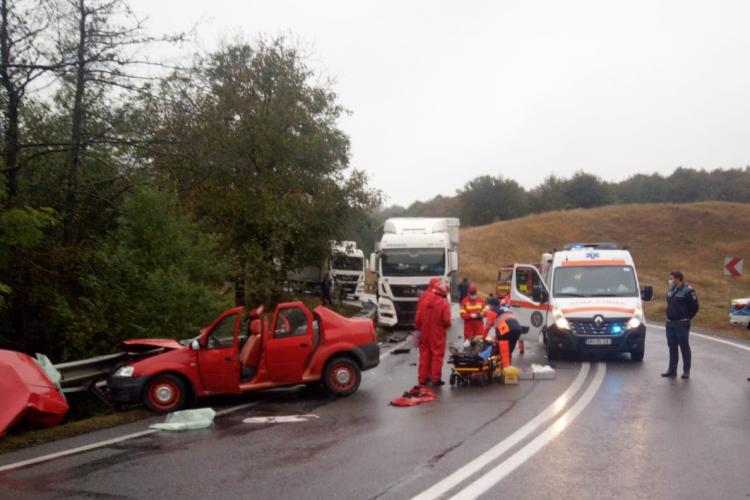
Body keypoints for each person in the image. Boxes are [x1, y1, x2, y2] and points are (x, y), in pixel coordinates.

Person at [661, 271, 699, 379]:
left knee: (684, 347)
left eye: (672, 278)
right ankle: (672, 370)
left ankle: (686, 371)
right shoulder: (671, 290)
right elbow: (669, 304)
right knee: (672, 346)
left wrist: (687, 318)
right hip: (670, 323)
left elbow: (695, 307)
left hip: (682, 323)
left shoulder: (688, 291)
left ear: (678, 279)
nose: (670, 280)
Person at [415, 280, 452, 386]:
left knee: (424, 355)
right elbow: (447, 321)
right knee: (437, 355)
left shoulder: (423, 299)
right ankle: (435, 379)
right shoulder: (443, 303)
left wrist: (418, 329)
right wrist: (444, 327)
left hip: (424, 330)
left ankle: (423, 378)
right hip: (437, 332)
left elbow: (417, 318)